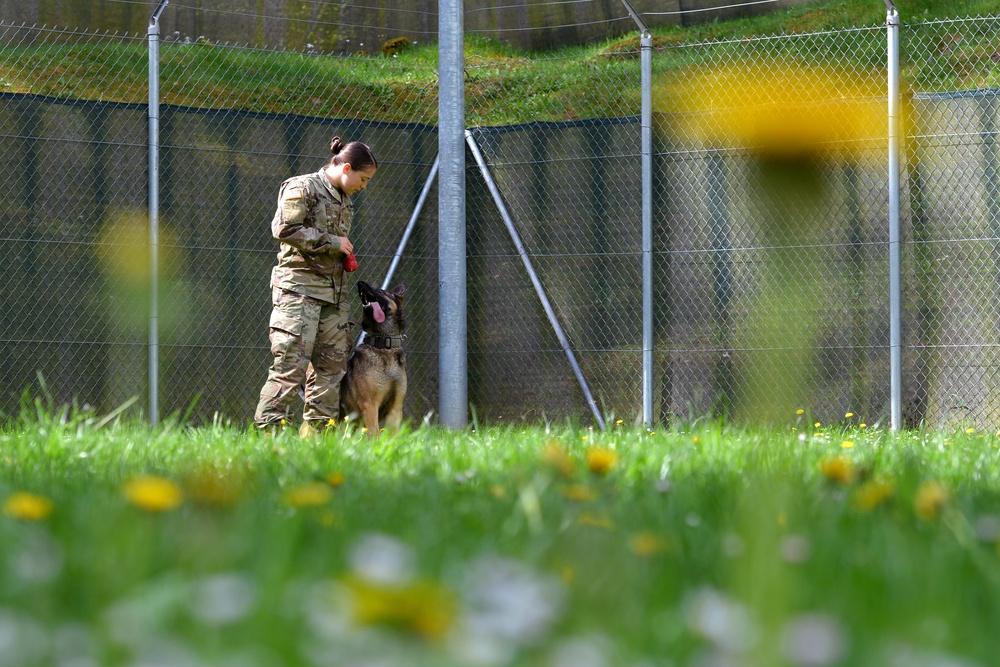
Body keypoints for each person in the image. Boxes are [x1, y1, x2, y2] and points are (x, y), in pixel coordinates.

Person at [254, 136, 377, 435]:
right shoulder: (302, 187)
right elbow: (283, 228)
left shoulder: (344, 199)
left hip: (333, 297)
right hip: (298, 292)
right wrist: (332, 242)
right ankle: (269, 435)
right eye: (363, 179)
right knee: (290, 366)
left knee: (332, 371)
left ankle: (318, 439)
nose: (364, 186)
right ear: (346, 168)